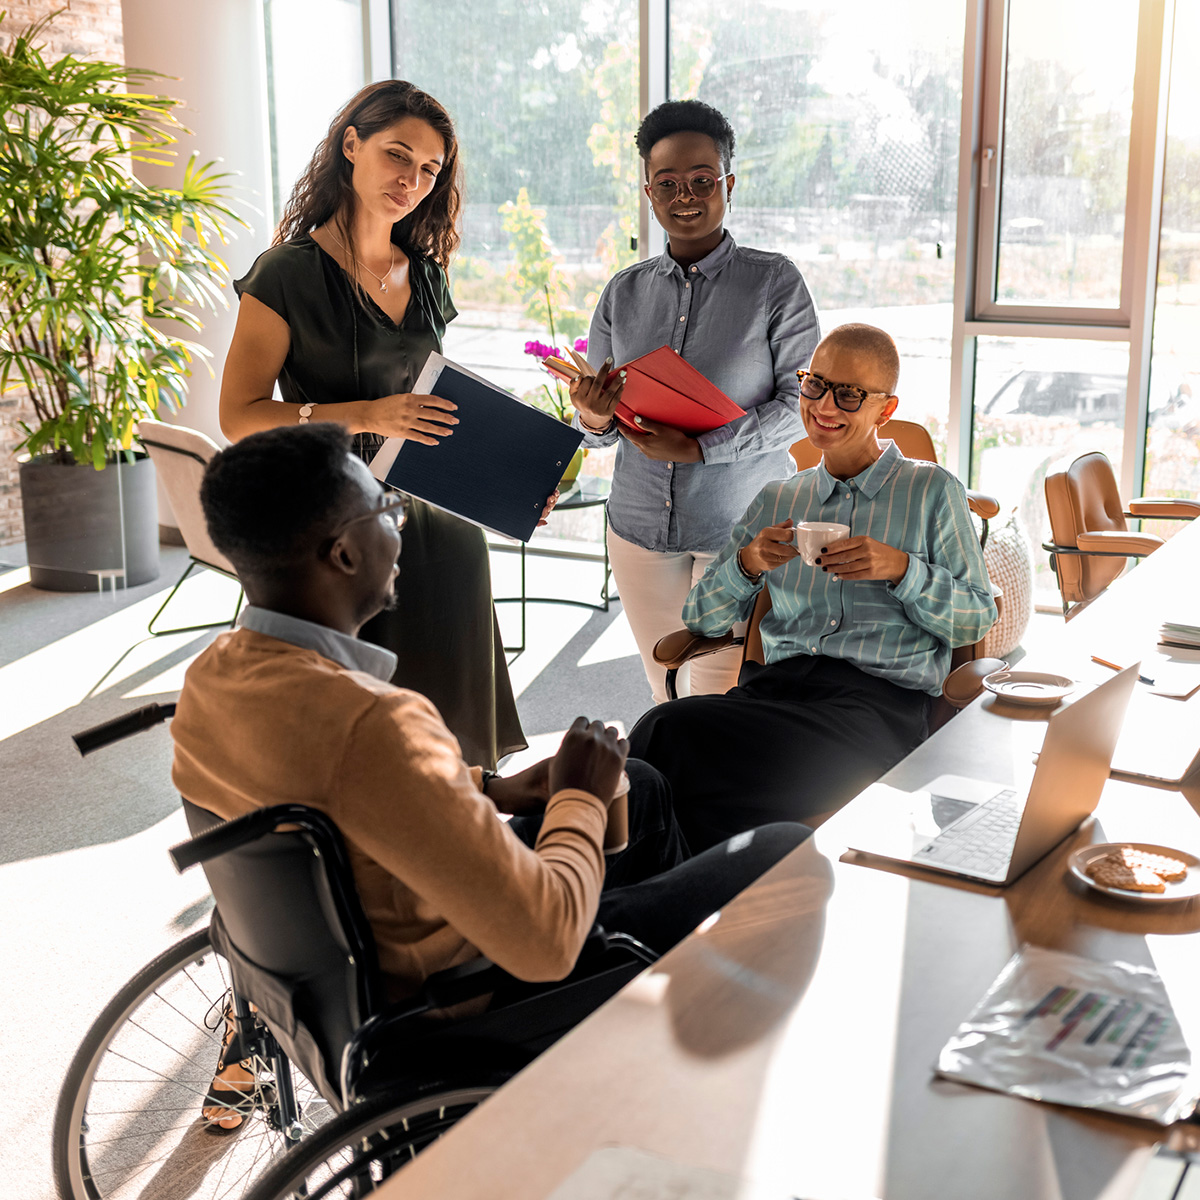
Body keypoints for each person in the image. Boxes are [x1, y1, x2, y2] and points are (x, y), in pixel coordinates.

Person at [171, 423, 810, 1131]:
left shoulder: (216, 677)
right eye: (386, 507)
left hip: (342, 970)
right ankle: (683, 1037)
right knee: (785, 850)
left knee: (649, 786)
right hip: (466, 995)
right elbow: (545, 941)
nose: (400, 520)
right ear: (343, 553)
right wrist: (577, 797)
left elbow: (332, 787)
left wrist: (492, 788)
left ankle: (661, 1015)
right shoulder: (375, 722)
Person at [219, 79, 523, 769]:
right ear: (350, 145)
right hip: (333, 533)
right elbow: (239, 416)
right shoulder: (285, 275)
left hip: (439, 529)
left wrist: (511, 474)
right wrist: (361, 415)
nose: (411, 179)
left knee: (451, 743)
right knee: (347, 740)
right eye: (397, 155)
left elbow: (436, 408)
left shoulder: (428, 276)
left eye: (429, 169)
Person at [628, 324, 997, 852]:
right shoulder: (779, 499)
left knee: (704, 781)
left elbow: (976, 619)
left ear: (884, 410)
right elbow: (702, 619)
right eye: (815, 384)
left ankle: (673, 892)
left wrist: (902, 570)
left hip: (874, 711)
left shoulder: (932, 491)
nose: (824, 404)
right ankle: (663, 893)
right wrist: (748, 564)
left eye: (848, 394)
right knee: (663, 729)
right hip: (773, 694)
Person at [569, 99, 821, 704]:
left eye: (703, 180)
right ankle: (674, 798)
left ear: (728, 184)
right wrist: (593, 413)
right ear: (650, 193)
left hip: (741, 527)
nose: (687, 195)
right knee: (664, 689)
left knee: (716, 694)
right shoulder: (623, 293)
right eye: (669, 184)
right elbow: (601, 433)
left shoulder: (774, 283)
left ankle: (699, 797)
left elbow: (802, 407)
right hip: (637, 527)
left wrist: (703, 447)